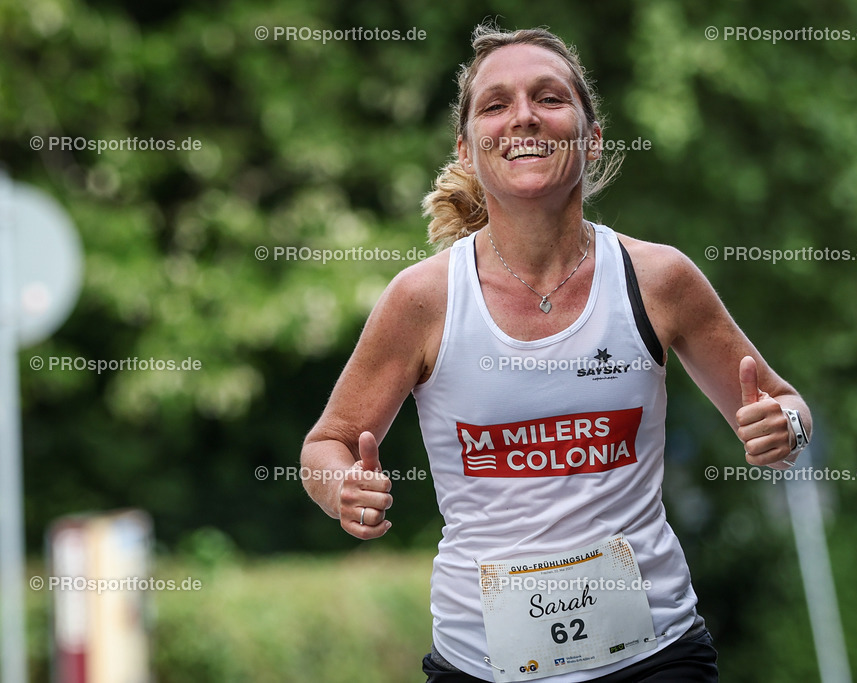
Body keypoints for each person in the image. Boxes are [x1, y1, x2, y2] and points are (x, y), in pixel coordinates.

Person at [300, 23, 812, 683]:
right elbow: (326, 445)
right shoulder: (423, 298)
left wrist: (785, 427)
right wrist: (343, 488)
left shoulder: (658, 279)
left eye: (549, 97)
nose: (523, 116)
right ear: (467, 147)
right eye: (495, 104)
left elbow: (786, 403)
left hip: (653, 657)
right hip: (481, 663)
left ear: (592, 136)